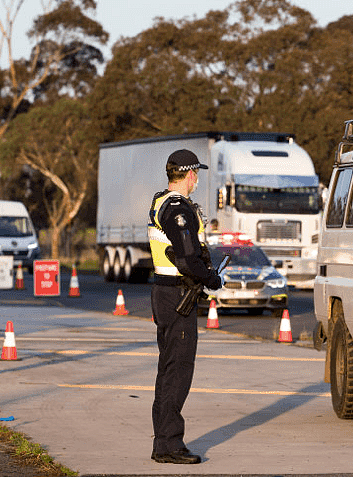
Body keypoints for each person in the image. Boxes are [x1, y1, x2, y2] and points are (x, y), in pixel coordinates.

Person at [147, 149, 222, 465]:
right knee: (178, 371)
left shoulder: (160, 201)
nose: (196, 180)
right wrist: (211, 278)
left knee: (167, 370)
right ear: (190, 175)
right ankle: (169, 445)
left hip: (166, 294)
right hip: (177, 296)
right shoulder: (178, 208)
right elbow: (187, 258)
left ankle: (163, 441)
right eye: (196, 175)